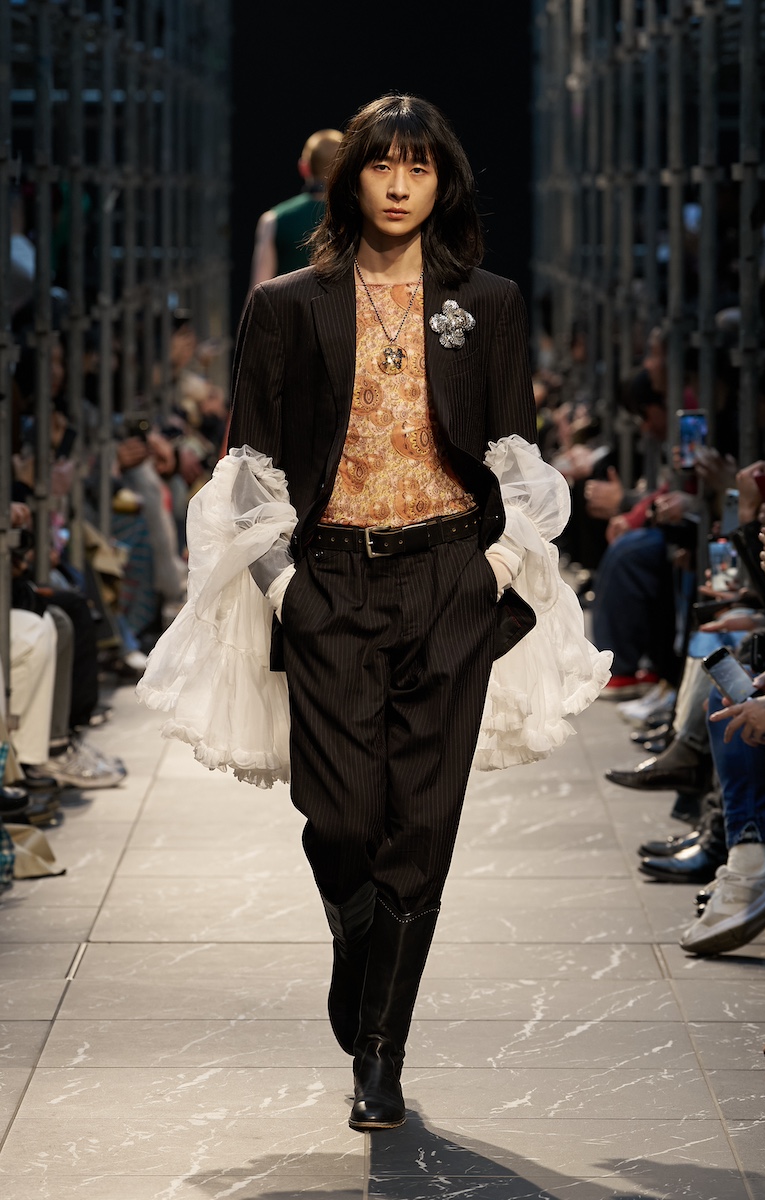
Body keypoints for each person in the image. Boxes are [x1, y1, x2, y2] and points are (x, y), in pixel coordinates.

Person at [139, 93, 610, 1133]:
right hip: (329, 579)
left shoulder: (488, 302)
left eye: (419, 167)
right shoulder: (286, 304)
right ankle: (358, 944)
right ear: (349, 177)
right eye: (381, 165)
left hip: (450, 575)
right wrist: (284, 588)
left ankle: (380, 1053)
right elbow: (251, 461)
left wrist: (495, 569)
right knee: (343, 815)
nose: (399, 185)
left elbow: (514, 454)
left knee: (422, 823)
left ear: (443, 183)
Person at [249, 128, 343, 287]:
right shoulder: (360, 217)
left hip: (288, 304)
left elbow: (258, 290)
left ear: (304, 167)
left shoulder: (273, 220)